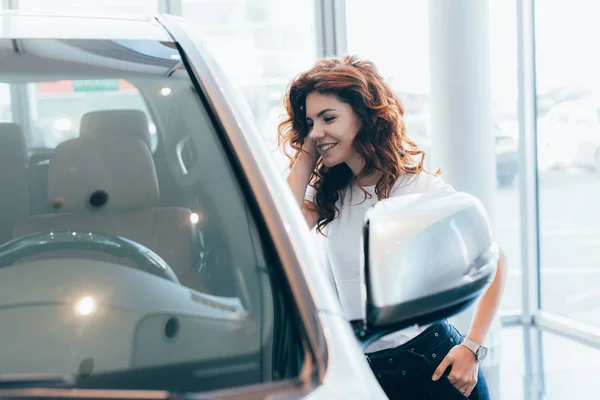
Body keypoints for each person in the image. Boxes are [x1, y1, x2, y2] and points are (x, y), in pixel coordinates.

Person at [278, 55, 507, 400]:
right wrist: (309, 152)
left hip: (431, 367)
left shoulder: (414, 189)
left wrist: (473, 347)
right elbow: (281, 227)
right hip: (367, 369)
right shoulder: (334, 193)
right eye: (310, 122)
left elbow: (494, 257)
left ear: (363, 116)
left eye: (329, 118)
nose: (317, 132)